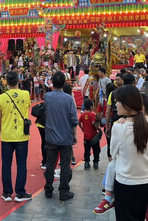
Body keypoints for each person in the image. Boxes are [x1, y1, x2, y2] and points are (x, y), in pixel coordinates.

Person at [93, 85, 148, 219]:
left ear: (127, 105)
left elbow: (113, 154)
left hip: (126, 185)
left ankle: (107, 198)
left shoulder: (119, 127)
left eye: (118, 101)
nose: (116, 104)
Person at [0, 71, 32, 202]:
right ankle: (20, 193)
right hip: (22, 135)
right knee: (21, 164)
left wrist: (1, 130)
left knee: (6, 164)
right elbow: (27, 108)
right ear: (18, 81)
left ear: (6, 82)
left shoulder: (1, 97)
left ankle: (6, 193)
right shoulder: (26, 94)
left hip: (6, 135)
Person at [44, 71, 79, 201]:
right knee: (65, 165)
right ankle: (64, 191)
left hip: (51, 135)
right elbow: (74, 119)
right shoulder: (69, 99)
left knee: (50, 163)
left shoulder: (47, 96)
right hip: (65, 136)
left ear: (52, 82)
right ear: (64, 83)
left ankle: (48, 188)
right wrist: (74, 135)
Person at [79, 99, 100, 169]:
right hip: (93, 136)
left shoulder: (82, 115)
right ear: (91, 107)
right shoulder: (93, 115)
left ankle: (87, 162)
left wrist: (82, 128)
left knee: (87, 150)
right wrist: (98, 128)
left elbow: (79, 122)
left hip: (86, 137)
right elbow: (93, 124)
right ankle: (96, 162)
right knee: (96, 150)